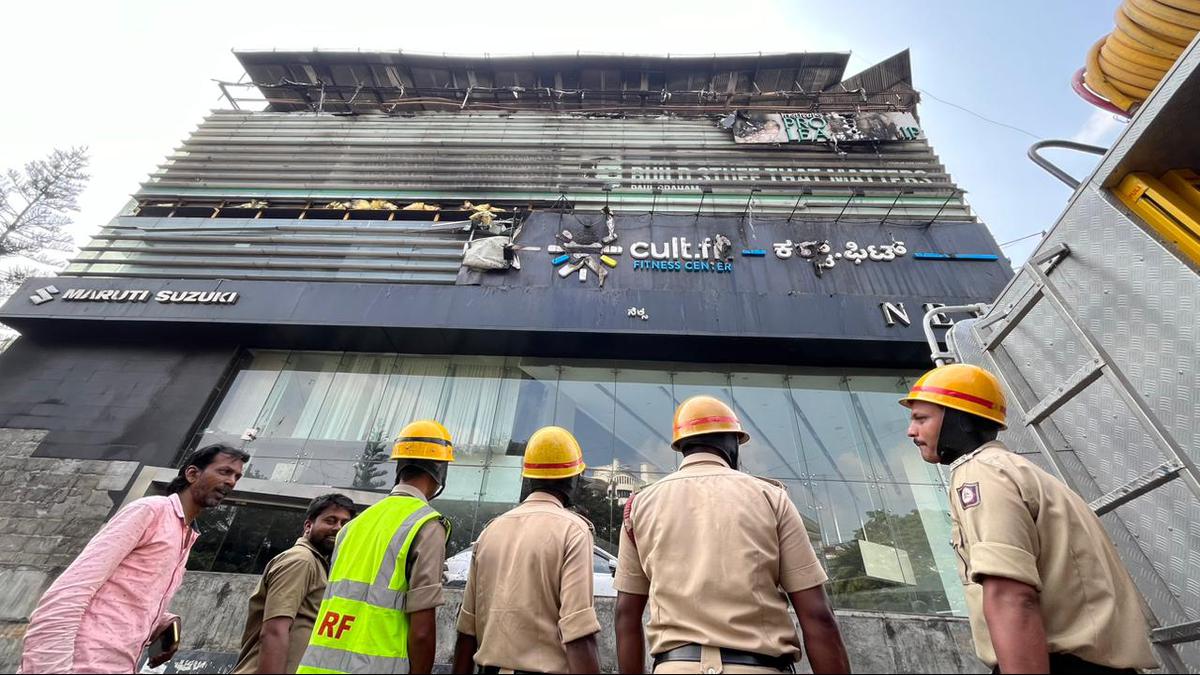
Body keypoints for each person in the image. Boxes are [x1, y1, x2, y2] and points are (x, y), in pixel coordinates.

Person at [900, 363, 1158, 674]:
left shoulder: (981, 473)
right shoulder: (1017, 471)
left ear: (959, 420)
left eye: (921, 418)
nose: (911, 431)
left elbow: (1012, 597)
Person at [614, 395, 850, 674]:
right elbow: (817, 616)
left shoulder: (639, 506)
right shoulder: (770, 497)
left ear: (682, 446)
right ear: (731, 442)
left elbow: (625, 616)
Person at [21, 443, 248, 674]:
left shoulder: (185, 534)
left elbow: (126, 596)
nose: (231, 481)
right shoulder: (151, 511)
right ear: (192, 474)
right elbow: (69, 591)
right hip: (78, 665)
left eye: (237, 476)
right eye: (224, 472)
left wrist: (164, 621)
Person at [297, 420, 455, 674]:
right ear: (441, 470)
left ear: (399, 466)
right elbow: (422, 630)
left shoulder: (353, 526)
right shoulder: (426, 525)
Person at [452, 426, 601, 674]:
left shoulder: (491, 531)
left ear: (528, 478)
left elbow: (467, 631)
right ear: (574, 480)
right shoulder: (573, 531)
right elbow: (578, 633)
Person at [234, 493, 356, 674]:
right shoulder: (301, 560)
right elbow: (274, 630)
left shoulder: (320, 565)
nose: (338, 528)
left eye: (345, 524)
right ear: (308, 525)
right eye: (330, 520)